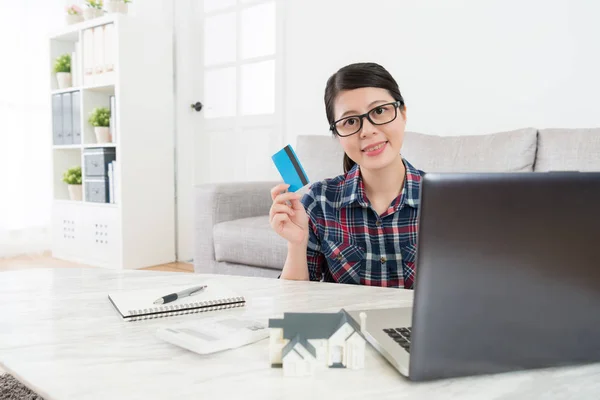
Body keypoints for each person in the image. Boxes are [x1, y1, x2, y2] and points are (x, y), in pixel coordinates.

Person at [269, 62, 423, 288]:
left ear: (403, 113)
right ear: (337, 134)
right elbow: (294, 308)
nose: (367, 130)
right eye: (350, 121)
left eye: (379, 111)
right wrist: (297, 243)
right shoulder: (319, 201)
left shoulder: (445, 200)